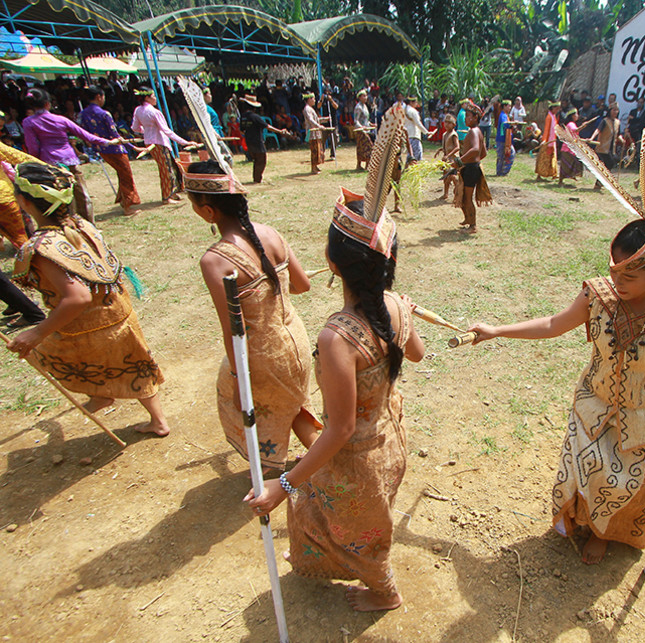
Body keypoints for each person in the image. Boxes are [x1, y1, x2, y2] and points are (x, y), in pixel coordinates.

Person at [469, 219, 645, 563]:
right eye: (614, 271)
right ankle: (585, 524)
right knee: (585, 472)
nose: (617, 283)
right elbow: (555, 324)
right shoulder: (597, 295)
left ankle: (606, 533)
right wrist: (497, 331)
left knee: (622, 486)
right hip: (593, 406)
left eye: (629, 277)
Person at [244, 143, 425, 611]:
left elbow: (341, 429)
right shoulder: (395, 306)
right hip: (390, 442)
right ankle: (330, 559)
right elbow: (418, 354)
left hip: (357, 457)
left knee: (355, 526)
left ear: (331, 261)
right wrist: (403, 311)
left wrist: (281, 483)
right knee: (335, 510)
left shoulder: (336, 337)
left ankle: (385, 593)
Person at [6, 162, 169, 436]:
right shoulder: (81, 225)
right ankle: (157, 419)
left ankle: (101, 394)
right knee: (136, 365)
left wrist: (37, 332)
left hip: (86, 324)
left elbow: (78, 297)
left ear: (23, 201)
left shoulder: (44, 247)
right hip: (119, 313)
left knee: (43, 352)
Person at [183, 160, 319, 470]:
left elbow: (234, 328)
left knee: (265, 411)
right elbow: (303, 285)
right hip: (295, 342)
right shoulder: (270, 233)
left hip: (263, 356)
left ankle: (272, 477)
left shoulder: (215, 260)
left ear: (207, 211)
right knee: (295, 405)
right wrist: (274, 287)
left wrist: (237, 380)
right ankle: (334, 462)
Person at [22, 88, 121, 223]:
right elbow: (85, 135)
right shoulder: (61, 119)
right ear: (47, 104)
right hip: (70, 160)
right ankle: (88, 224)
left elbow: (32, 146)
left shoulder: (29, 122)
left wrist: (35, 162)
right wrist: (108, 142)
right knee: (80, 193)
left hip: (49, 163)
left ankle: (65, 223)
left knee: (57, 196)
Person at [79, 87, 142, 216]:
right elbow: (115, 135)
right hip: (115, 149)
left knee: (122, 173)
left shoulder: (83, 114)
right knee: (126, 175)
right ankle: (127, 206)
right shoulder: (104, 114)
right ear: (99, 96)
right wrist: (133, 147)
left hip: (101, 149)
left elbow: (85, 134)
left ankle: (123, 200)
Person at [132, 87, 198, 204]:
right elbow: (167, 131)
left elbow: (135, 128)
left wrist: (147, 131)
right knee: (166, 170)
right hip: (159, 142)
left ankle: (172, 192)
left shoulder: (138, 110)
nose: (155, 98)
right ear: (146, 97)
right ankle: (166, 197)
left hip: (149, 142)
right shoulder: (154, 112)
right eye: (153, 96)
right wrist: (185, 142)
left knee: (170, 166)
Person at [454, 103, 490, 232]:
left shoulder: (474, 131)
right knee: (463, 196)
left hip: (471, 169)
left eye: (468, 116)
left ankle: (473, 225)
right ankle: (468, 219)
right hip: (470, 167)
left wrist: (460, 160)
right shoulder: (477, 131)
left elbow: (476, 150)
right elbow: (483, 152)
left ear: (475, 118)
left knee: (468, 198)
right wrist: (471, 162)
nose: (465, 118)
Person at [239, 95, 291, 184]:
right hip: (257, 141)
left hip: (249, 141)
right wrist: (279, 131)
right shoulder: (255, 117)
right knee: (261, 159)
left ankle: (256, 178)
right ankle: (257, 179)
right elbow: (268, 126)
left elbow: (241, 131)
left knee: (257, 160)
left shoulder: (243, 117)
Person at [589, 103, 623, 190]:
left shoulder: (617, 122)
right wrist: (592, 138)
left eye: (617, 110)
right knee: (608, 164)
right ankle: (600, 182)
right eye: (613, 110)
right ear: (610, 111)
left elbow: (617, 134)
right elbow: (598, 130)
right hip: (603, 148)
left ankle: (599, 183)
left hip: (612, 148)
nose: (615, 112)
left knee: (610, 164)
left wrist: (623, 140)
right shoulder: (605, 121)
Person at [435, 114, 460, 200]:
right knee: (446, 177)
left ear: (454, 125)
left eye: (449, 123)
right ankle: (445, 194)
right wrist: (440, 150)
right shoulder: (445, 134)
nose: (446, 124)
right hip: (446, 159)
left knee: (453, 177)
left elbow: (457, 147)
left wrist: (448, 155)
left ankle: (458, 194)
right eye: (445, 122)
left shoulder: (453, 134)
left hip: (452, 159)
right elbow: (447, 146)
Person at [557, 108, 583, 187]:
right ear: (572, 116)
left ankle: (572, 175)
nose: (577, 116)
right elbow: (575, 131)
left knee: (574, 163)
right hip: (568, 148)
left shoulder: (572, 124)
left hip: (571, 147)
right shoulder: (570, 124)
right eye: (576, 114)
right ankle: (561, 180)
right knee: (566, 165)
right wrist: (583, 126)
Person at [535, 102, 560, 180]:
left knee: (552, 157)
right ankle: (539, 174)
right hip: (548, 141)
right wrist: (545, 140)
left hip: (553, 140)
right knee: (544, 158)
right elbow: (546, 129)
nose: (557, 110)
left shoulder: (554, 116)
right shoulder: (549, 117)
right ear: (552, 108)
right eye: (556, 108)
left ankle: (554, 174)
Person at [302, 92, 325, 175]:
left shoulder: (311, 109)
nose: (315, 100)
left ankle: (316, 166)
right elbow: (311, 121)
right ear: (309, 99)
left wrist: (324, 120)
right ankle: (313, 167)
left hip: (316, 132)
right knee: (314, 150)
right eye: (313, 99)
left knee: (318, 150)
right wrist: (319, 126)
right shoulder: (307, 109)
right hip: (312, 133)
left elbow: (316, 120)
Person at [353, 89, 373, 171]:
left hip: (366, 130)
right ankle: (362, 165)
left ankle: (365, 165)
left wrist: (371, 124)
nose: (365, 97)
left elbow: (366, 119)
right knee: (366, 147)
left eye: (366, 96)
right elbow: (356, 120)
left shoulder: (365, 106)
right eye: (363, 96)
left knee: (365, 147)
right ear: (360, 97)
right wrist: (361, 127)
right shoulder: (358, 107)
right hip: (361, 131)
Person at [495, 100, 515, 177]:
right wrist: (511, 124)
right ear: (504, 106)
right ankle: (500, 171)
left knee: (507, 154)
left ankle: (503, 171)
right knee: (501, 156)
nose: (510, 108)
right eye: (508, 106)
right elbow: (505, 124)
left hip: (506, 138)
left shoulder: (506, 115)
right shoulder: (502, 115)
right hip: (502, 138)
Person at [404, 96, 427, 163]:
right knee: (416, 156)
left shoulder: (405, 110)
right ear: (411, 102)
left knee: (410, 155)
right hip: (414, 135)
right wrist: (426, 132)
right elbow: (418, 123)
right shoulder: (413, 111)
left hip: (408, 135)